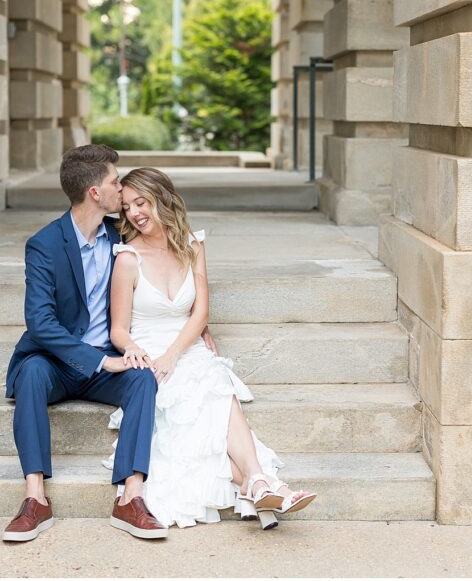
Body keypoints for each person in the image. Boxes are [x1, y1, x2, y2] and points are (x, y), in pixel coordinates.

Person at [104, 166, 317, 530]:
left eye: (141, 202)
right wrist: (140, 352)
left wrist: (178, 352)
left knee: (213, 375)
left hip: (185, 345)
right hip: (150, 352)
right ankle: (263, 483)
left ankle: (258, 482)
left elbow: (200, 310)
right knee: (203, 408)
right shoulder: (127, 259)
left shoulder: (192, 245)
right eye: (126, 208)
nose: (135, 213)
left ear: (162, 198)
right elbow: (119, 330)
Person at [2, 145, 172, 542]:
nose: (122, 190)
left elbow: (171, 249)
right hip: (56, 361)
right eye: (115, 182)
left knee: (143, 379)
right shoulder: (44, 244)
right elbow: (40, 323)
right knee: (30, 373)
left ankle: (130, 498)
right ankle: (34, 499)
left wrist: (199, 321)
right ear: (95, 193)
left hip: (109, 359)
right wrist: (98, 362)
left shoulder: (121, 233)